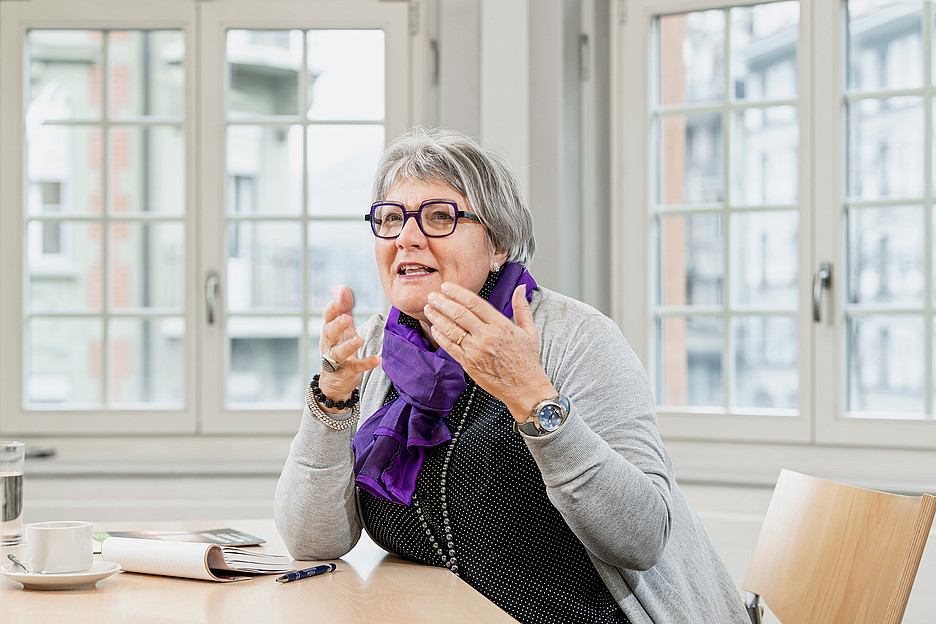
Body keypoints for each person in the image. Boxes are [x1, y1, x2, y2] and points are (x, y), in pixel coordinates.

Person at [275, 126, 749, 624]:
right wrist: (332, 398)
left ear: (497, 243)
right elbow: (313, 542)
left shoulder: (579, 339)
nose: (407, 238)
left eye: (439, 217)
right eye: (391, 219)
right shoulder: (377, 348)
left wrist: (530, 394)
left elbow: (642, 537)